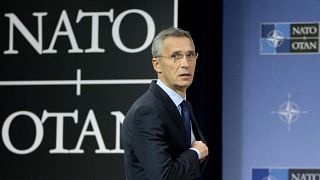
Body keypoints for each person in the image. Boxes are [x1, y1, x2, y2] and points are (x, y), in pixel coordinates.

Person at [121, 27, 209, 180]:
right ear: (157, 65)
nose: (185, 64)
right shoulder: (147, 111)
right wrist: (195, 153)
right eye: (175, 56)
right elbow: (164, 176)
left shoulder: (185, 106)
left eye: (190, 55)